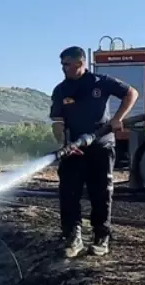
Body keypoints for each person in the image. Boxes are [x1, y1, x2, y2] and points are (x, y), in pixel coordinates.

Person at [52, 46, 138, 258]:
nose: (63, 69)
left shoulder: (101, 82)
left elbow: (131, 93)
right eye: (62, 64)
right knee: (69, 192)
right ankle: (73, 237)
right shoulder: (60, 90)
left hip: (101, 145)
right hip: (74, 150)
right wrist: (65, 144)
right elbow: (57, 122)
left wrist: (118, 118)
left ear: (80, 64)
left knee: (101, 193)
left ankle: (101, 237)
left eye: (67, 64)